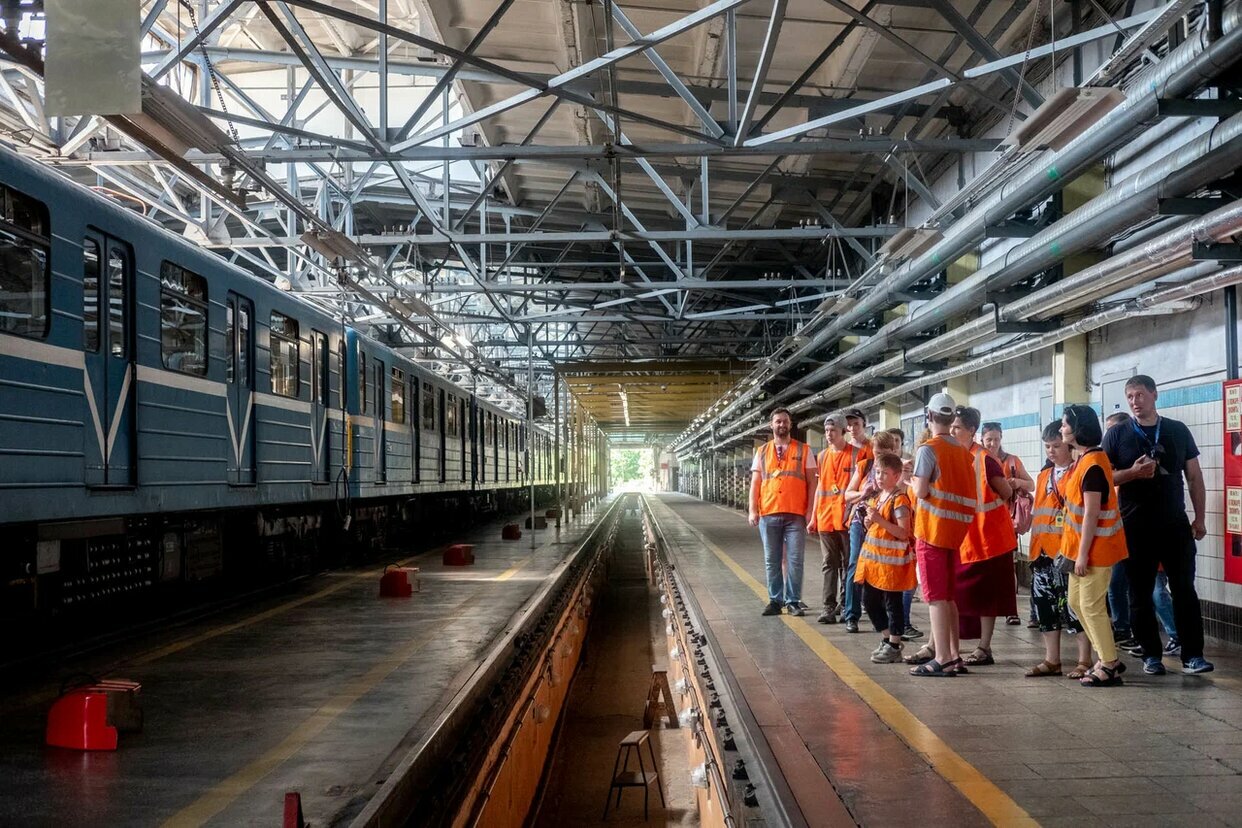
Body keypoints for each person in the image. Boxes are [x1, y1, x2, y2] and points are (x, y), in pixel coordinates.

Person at [1102, 375, 1213, 674]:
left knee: (1184, 590)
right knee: (1139, 592)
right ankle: (1151, 654)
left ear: (1154, 395)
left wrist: (1199, 517)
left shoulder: (1177, 431)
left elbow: (1194, 477)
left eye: (1140, 395)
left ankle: (1193, 655)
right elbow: (1104, 477)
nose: (1135, 401)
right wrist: (1132, 474)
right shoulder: (1117, 435)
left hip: (1174, 524)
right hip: (1135, 525)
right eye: (1130, 396)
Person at [907, 393, 976, 677]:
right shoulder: (963, 452)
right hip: (955, 533)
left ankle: (943, 658)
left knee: (935, 596)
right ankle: (955, 655)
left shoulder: (928, 449)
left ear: (929, 416)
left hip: (932, 531)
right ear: (951, 418)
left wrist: (909, 480)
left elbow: (922, 491)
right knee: (948, 597)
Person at [1060, 404, 1130, 687]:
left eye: (1065, 424)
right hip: (1082, 547)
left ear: (1078, 429)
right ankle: (1105, 656)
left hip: (1095, 550)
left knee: (1090, 605)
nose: (1062, 429)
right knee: (1077, 603)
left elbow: (1092, 513)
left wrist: (1082, 554)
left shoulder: (1093, 464)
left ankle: (1110, 664)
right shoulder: (1085, 459)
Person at [1023, 422, 1094, 679]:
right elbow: (1037, 513)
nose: (1051, 451)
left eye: (1056, 446)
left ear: (1069, 445)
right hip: (1041, 552)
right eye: (1047, 447)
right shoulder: (1044, 476)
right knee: (1045, 606)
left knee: (1074, 608)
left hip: (1067, 553)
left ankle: (1084, 660)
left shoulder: (1079, 473)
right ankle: (1052, 660)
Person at [953, 407, 1018, 667]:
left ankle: (984, 647)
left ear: (971, 431)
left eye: (957, 427)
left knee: (987, 597)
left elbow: (1005, 492)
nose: (953, 431)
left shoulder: (985, 459)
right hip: (965, 538)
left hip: (990, 540)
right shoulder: (956, 456)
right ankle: (946, 645)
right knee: (960, 594)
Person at [749, 408, 818, 617]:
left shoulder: (804, 450)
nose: (782, 425)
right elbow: (755, 483)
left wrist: (810, 512)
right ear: (771, 425)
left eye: (785, 421)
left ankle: (793, 601)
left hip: (795, 514)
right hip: (769, 512)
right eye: (778, 422)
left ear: (790, 424)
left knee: (796, 559)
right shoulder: (761, 452)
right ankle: (775, 600)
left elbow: (812, 484)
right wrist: (753, 510)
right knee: (772, 559)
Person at [856, 453, 916, 663]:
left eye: (885, 473)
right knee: (869, 601)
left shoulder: (899, 500)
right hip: (874, 565)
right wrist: (870, 523)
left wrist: (879, 520)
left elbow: (903, 532)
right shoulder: (878, 497)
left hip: (892, 565)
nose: (880, 477)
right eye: (878, 472)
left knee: (893, 604)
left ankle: (894, 643)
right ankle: (888, 638)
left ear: (897, 475)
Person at [981, 421, 1034, 626]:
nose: (993, 443)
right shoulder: (978, 460)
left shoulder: (1011, 461)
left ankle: (1011, 610)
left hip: (1007, 522)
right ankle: (986, 606)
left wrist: (1017, 483)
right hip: (982, 523)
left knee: (1007, 566)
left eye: (996, 439)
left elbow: (1031, 484)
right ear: (981, 439)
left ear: (1001, 438)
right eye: (989, 440)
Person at [809, 416, 857, 624]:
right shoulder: (821, 456)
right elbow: (821, 489)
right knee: (829, 563)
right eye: (827, 430)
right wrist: (813, 517)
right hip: (826, 518)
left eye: (833, 430)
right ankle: (828, 607)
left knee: (848, 564)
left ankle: (846, 605)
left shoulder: (856, 455)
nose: (829, 434)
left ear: (842, 431)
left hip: (847, 519)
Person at [839, 410, 876, 631]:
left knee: (873, 565)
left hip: (879, 520)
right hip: (857, 515)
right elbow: (847, 491)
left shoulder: (871, 450)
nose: (853, 428)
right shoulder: (855, 459)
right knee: (853, 562)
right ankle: (850, 612)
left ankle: (874, 611)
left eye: (856, 424)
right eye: (849, 424)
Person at [1103, 411, 1136, 647]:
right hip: (1114, 532)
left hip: (1132, 528)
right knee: (1116, 584)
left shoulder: (1134, 465)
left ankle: (1130, 629)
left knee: (1138, 585)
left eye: (1113, 430)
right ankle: (1122, 627)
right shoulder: (1107, 467)